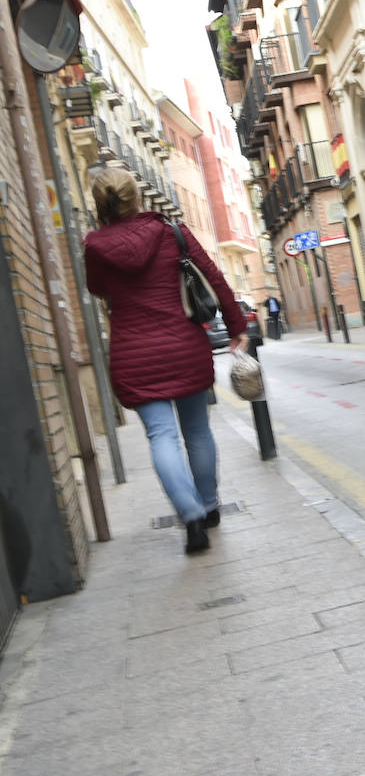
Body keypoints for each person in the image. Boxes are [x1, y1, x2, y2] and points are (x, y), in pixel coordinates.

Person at [84, 167, 247, 554]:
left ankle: (191, 517)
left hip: (133, 355)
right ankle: (209, 506)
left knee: (162, 437)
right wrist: (237, 326)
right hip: (184, 347)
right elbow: (214, 279)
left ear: (100, 204)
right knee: (198, 432)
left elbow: (97, 288)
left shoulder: (95, 245)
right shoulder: (172, 232)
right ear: (137, 198)